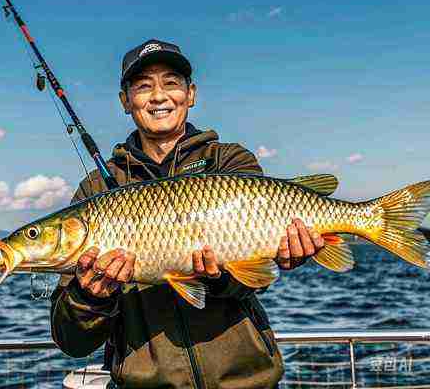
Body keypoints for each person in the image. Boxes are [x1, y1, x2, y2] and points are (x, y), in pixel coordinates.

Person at [50, 39, 324, 388]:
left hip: (247, 382)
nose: (159, 96)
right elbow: (71, 343)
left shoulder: (228, 161)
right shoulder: (96, 191)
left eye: (171, 82)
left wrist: (218, 277)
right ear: (125, 100)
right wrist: (88, 297)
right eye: (143, 86)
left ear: (190, 94)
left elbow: (257, 277)